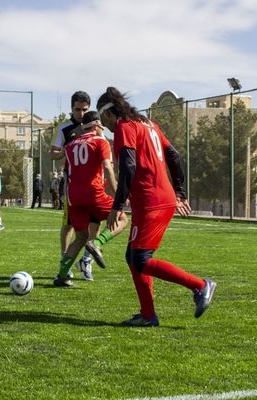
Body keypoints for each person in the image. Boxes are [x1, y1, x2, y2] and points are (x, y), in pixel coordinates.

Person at [97, 86, 217, 327]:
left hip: (152, 200)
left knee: (141, 258)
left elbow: (128, 166)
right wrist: (180, 192)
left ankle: (200, 286)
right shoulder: (148, 123)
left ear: (108, 114)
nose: (105, 126)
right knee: (133, 257)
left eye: (102, 119)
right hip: (154, 199)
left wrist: (117, 205)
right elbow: (173, 156)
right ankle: (148, 315)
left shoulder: (124, 126)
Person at [54, 111, 128, 286]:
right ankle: (97, 243)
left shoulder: (70, 145)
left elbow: (69, 170)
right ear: (96, 126)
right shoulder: (101, 142)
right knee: (123, 219)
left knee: (80, 237)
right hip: (93, 193)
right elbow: (108, 169)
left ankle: (62, 275)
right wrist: (119, 193)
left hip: (73, 197)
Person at [49, 91, 99, 279]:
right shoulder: (64, 128)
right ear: (71, 108)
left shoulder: (94, 124)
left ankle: (86, 260)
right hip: (73, 183)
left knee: (96, 223)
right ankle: (65, 261)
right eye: (77, 109)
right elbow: (53, 153)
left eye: (84, 109)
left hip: (94, 183)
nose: (80, 113)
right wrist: (68, 146)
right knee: (69, 224)